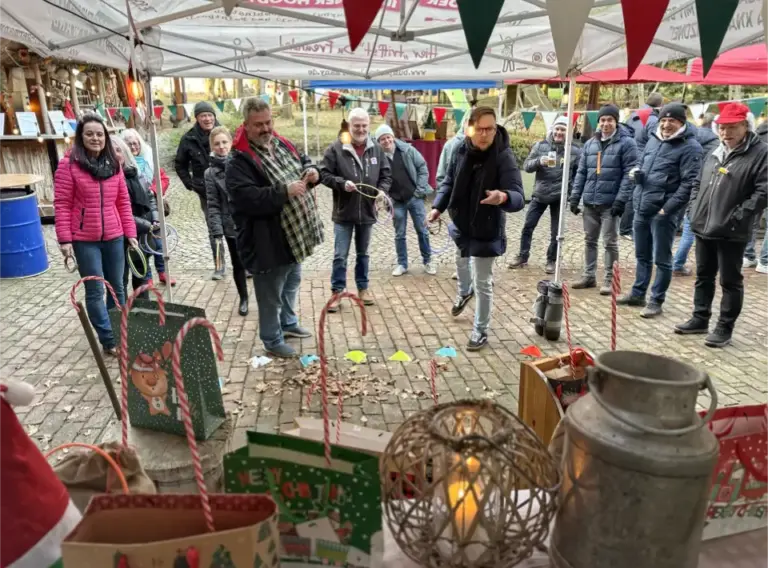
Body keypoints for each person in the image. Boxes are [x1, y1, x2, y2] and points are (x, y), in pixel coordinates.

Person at [226, 98, 324, 358]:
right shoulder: (239, 160)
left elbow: (303, 160)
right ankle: (271, 338)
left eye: (268, 122)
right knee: (270, 293)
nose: (265, 128)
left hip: (294, 237)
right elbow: (247, 199)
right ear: (245, 125)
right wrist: (284, 191)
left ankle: (288, 323)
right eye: (258, 125)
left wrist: (313, 172)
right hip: (267, 241)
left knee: (292, 281)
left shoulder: (282, 143)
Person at [427, 106, 525, 351]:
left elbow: (519, 195)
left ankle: (480, 331)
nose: (485, 134)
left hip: (486, 227)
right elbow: (449, 180)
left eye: (490, 128)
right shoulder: (461, 149)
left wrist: (503, 197)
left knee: (483, 281)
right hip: (461, 223)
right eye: (480, 129)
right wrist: (438, 206)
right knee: (460, 264)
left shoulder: (503, 156)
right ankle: (463, 293)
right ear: (470, 128)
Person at [675, 103, 768, 348]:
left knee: (730, 280)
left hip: (732, 230)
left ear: (746, 126)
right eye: (722, 127)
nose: (726, 133)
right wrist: (693, 208)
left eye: (732, 127)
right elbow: (698, 181)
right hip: (704, 224)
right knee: (703, 276)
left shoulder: (761, 153)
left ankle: (724, 327)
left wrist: (738, 216)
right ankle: (700, 318)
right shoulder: (716, 149)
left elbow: (763, 191)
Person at [54, 113, 137, 356]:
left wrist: (130, 233)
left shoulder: (114, 165)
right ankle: (108, 339)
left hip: (114, 235)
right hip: (84, 239)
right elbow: (61, 203)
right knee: (95, 291)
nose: (95, 138)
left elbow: (123, 202)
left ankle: (119, 332)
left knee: (118, 288)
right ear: (80, 137)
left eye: (99, 134)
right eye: (89, 134)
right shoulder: (68, 165)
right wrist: (65, 239)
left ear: (106, 138)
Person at [618, 103, 702, 318]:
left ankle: (656, 300)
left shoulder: (690, 147)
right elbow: (642, 165)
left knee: (662, 259)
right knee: (641, 255)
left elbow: (689, 184)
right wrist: (637, 174)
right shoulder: (654, 140)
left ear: (681, 123)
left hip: (663, 213)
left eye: (671, 121)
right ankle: (637, 294)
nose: (666, 124)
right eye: (663, 120)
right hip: (641, 206)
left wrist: (667, 209)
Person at [319, 107, 392, 310]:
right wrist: (342, 184)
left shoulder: (376, 148)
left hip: (368, 212)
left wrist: (381, 191)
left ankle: (363, 288)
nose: (360, 129)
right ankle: (337, 292)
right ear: (349, 126)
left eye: (364, 126)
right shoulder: (336, 148)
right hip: (344, 212)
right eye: (356, 126)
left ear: (369, 126)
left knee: (363, 254)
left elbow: (386, 175)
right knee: (340, 255)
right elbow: (323, 174)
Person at [569, 104, 638, 294]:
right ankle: (589, 275)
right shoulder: (591, 144)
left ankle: (610, 279)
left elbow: (629, 174)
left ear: (616, 121)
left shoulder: (627, 144)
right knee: (589, 240)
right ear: (598, 122)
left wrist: (620, 200)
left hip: (611, 203)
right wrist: (575, 197)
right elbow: (581, 172)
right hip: (590, 202)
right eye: (603, 120)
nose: (606, 123)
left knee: (610, 242)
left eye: (610, 119)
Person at [509, 116, 581, 274]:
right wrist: (538, 161)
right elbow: (527, 166)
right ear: (553, 130)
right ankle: (522, 256)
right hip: (540, 194)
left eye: (563, 129)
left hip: (559, 196)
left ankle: (551, 260)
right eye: (557, 129)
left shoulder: (574, 150)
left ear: (568, 132)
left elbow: (578, 174)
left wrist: (571, 192)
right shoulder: (540, 146)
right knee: (528, 226)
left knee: (556, 232)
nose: (559, 132)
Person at [374, 124, 436, 277]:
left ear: (393, 137)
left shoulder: (407, 150)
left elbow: (422, 167)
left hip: (414, 197)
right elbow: (375, 178)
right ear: (378, 142)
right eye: (382, 139)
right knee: (399, 233)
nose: (386, 141)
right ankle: (402, 264)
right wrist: (382, 198)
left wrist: (419, 191)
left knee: (422, 230)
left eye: (388, 137)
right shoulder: (378, 157)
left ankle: (428, 261)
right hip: (395, 201)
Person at [204, 126, 249, 317]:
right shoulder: (210, 173)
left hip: (250, 220)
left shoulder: (242, 163)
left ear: (231, 143)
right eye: (217, 144)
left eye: (224, 142)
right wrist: (216, 231)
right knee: (238, 263)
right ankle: (244, 297)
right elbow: (212, 204)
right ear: (212, 147)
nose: (221, 147)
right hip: (230, 223)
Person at [174, 101, 222, 279]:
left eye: (210, 115)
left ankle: (243, 265)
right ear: (197, 118)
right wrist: (191, 184)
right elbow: (180, 164)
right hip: (206, 193)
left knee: (235, 229)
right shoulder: (189, 139)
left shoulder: (223, 134)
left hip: (229, 190)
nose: (207, 118)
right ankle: (219, 267)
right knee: (214, 230)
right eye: (203, 115)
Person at [122, 128, 174, 286]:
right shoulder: (124, 164)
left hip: (152, 207)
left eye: (135, 143)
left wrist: (152, 190)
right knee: (142, 244)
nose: (133, 147)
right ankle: (147, 276)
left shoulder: (150, 159)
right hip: (136, 212)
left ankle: (163, 271)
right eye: (129, 144)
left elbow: (163, 179)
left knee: (158, 242)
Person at [672, 112, 721, 277]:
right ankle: (677, 263)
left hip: (681, 187)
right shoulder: (716, 143)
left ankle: (665, 259)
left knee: (672, 226)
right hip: (700, 190)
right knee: (689, 230)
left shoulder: (691, 136)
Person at [111, 135, 157, 298]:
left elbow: (150, 197)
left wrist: (155, 217)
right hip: (119, 237)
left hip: (141, 235)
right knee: (119, 280)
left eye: (118, 150)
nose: (116, 154)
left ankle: (143, 314)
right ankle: (120, 316)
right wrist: (146, 224)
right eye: (111, 150)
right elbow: (119, 211)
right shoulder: (107, 179)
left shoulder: (136, 173)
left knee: (141, 276)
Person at [620, 93, 663, 238]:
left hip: (627, 156)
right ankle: (626, 228)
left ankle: (624, 224)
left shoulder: (632, 117)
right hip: (641, 161)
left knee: (627, 191)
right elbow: (655, 143)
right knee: (635, 194)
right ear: (659, 106)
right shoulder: (653, 121)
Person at [436, 115, 467, 281]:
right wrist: (446, 200)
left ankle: (480, 272)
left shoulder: (494, 147)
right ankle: (461, 269)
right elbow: (442, 176)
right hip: (457, 203)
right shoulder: (452, 145)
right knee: (460, 237)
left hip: (483, 204)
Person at [742, 118, 768, 273]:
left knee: (752, 220)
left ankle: (748, 255)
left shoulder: (757, 133)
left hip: (755, 183)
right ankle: (765, 261)